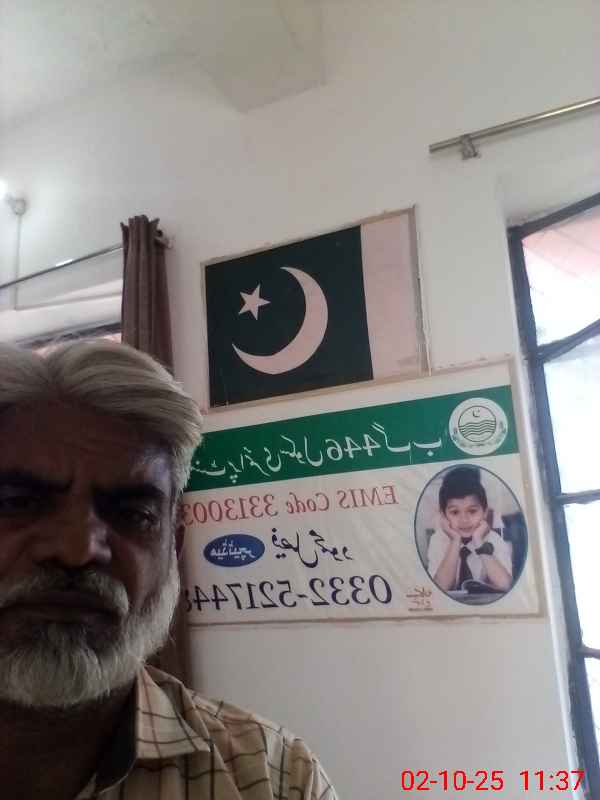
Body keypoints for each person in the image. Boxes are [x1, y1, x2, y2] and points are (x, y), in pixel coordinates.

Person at [0, 339, 338, 800]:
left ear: (174, 546)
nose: (77, 551)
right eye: (17, 504)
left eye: (132, 514)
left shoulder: (274, 778)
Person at [427, 466, 512, 594]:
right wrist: (455, 541)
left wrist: (479, 542)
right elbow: (439, 588)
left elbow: (506, 585)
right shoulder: (438, 540)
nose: (464, 520)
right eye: (455, 512)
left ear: (484, 512)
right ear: (444, 515)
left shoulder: (494, 539)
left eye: (472, 511)